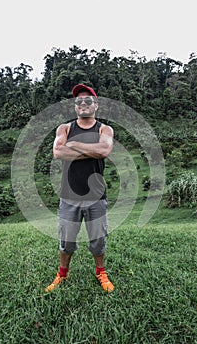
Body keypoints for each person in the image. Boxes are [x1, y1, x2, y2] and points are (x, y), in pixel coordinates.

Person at [45, 84, 114, 293]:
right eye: (79, 101)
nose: (83, 103)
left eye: (88, 100)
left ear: (96, 105)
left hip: (96, 196)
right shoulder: (64, 129)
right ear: (75, 107)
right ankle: (62, 274)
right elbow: (58, 152)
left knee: (98, 240)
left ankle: (100, 272)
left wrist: (74, 145)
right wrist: (91, 151)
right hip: (69, 196)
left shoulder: (104, 129)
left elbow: (104, 150)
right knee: (66, 241)